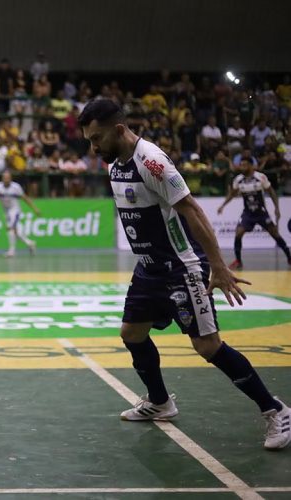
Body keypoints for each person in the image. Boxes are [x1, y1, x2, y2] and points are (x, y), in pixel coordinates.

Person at [78, 98, 289, 450]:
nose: (93, 146)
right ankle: (160, 402)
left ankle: (276, 409)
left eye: (96, 138)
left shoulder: (153, 162)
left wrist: (218, 266)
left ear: (118, 130)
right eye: (89, 139)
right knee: (132, 333)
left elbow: (191, 210)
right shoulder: (115, 162)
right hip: (149, 269)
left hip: (181, 268)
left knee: (208, 346)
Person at [217, 158, 291, 270]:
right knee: (238, 234)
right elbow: (232, 194)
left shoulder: (260, 177)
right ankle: (238, 261)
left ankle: (289, 257)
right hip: (248, 213)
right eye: (241, 165)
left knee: (275, 234)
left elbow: (271, 192)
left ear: (251, 166)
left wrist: (277, 208)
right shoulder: (238, 180)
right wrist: (223, 205)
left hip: (261, 212)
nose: (242, 167)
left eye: (245, 165)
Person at [0, 170, 40, 258]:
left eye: (8, 178)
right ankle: (30, 243)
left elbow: (25, 198)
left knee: (10, 229)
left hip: (15, 210)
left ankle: (11, 251)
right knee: (14, 231)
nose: (6, 179)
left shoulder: (16, 187)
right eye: (4, 178)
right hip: (6, 212)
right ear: (2, 178)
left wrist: (34, 208)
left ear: (11, 178)